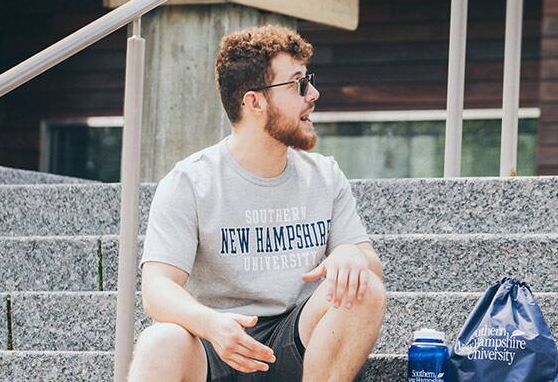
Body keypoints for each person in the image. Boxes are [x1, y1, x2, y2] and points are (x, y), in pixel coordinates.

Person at [128, 26, 385, 382]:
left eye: (308, 80)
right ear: (254, 101)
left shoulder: (324, 176)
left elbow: (369, 263)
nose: (313, 93)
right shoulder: (190, 181)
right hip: (216, 343)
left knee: (365, 286)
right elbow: (157, 289)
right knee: (160, 341)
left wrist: (352, 254)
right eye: (297, 83)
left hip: (297, 342)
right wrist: (211, 325)